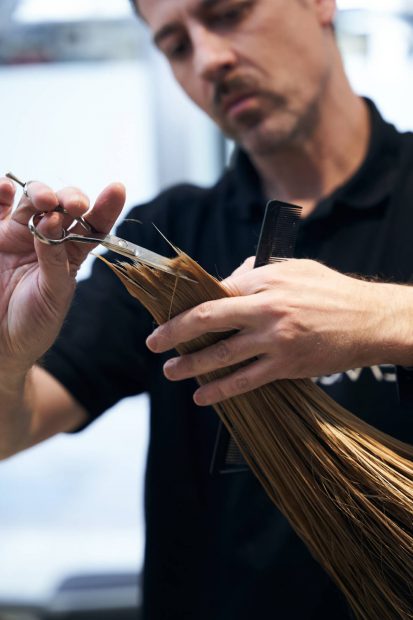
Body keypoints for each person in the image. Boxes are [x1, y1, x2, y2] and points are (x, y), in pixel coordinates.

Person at [0, 0, 413, 618]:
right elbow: (12, 428)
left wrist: (382, 318)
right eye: (176, 46)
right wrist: (7, 354)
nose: (210, 60)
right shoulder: (168, 236)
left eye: (228, 13)